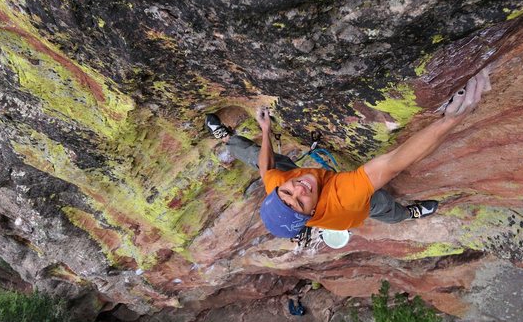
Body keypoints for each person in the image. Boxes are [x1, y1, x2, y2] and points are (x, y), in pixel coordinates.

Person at [205, 68, 491, 239]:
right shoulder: (342, 199)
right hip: (357, 208)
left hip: (296, 179)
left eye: (286, 193)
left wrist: (266, 130)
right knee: (383, 206)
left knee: (258, 157)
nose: (298, 189)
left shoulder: (278, 184)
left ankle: (228, 140)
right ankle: (409, 214)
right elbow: (392, 164)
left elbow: (267, 168)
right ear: (311, 212)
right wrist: (449, 120)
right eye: (300, 202)